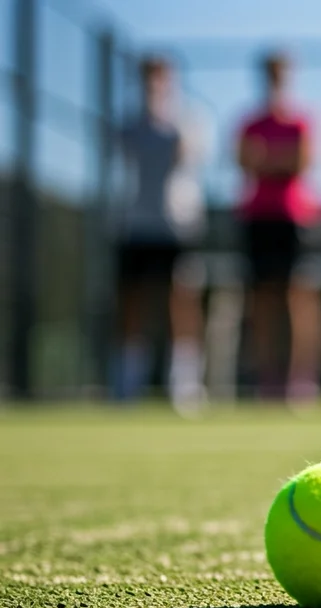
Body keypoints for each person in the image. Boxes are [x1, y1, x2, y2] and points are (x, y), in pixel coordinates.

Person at [113, 54, 207, 415]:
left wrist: (169, 122)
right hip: (136, 224)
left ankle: (183, 383)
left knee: (180, 299)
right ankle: (126, 383)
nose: (155, 83)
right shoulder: (130, 124)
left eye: (161, 77)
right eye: (148, 76)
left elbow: (186, 157)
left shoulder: (189, 121)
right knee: (131, 300)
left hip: (178, 225)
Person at [235, 50, 321, 405]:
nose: (276, 78)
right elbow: (245, 162)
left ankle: (302, 382)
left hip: (297, 218)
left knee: (300, 298)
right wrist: (279, 159)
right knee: (262, 301)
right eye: (271, 72)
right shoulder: (249, 123)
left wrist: (266, 159)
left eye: (281, 72)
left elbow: (301, 162)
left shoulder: (302, 122)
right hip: (258, 218)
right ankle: (268, 383)